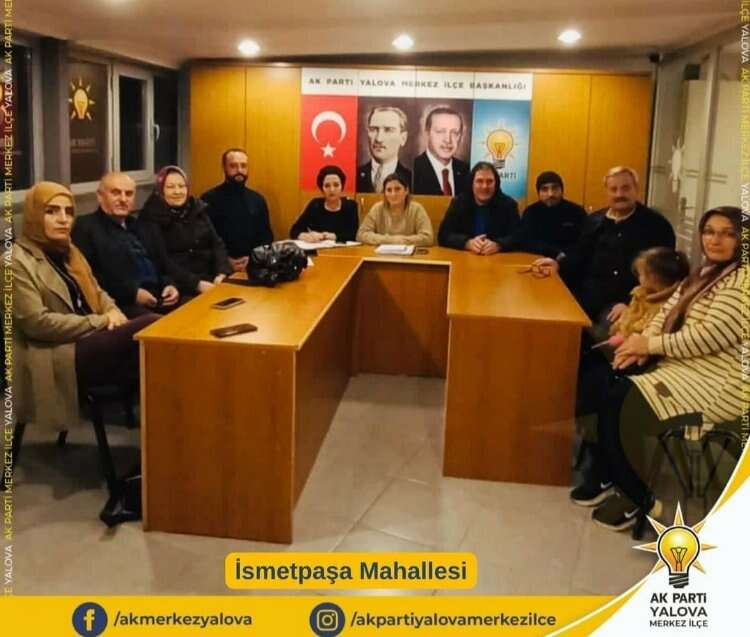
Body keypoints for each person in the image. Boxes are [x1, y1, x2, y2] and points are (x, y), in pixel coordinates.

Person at [573, 207, 745, 531]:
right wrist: (635, 345)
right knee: (598, 379)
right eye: (709, 232)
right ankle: (608, 472)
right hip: (680, 367)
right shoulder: (702, 273)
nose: (715, 240)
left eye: (728, 234)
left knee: (619, 396)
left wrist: (648, 346)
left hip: (716, 383)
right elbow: (663, 315)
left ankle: (637, 494)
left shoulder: (743, 282)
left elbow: (708, 337)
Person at [13, 182, 158, 431]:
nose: (63, 219)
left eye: (69, 212)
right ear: (34, 215)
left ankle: (164, 436)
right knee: (152, 326)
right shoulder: (16, 262)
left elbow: (98, 292)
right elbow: (37, 324)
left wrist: (113, 312)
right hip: (57, 351)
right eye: (51, 211)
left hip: (90, 339)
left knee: (153, 350)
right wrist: (102, 321)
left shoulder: (70, 251)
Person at [532, 166, 675, 327]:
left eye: (625, 188)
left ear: (636, 189)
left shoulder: (656, 226)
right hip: (587, 296)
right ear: (607, 192)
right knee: (548, 317)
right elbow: (579, 256)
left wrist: (632, 304)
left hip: (624, 303)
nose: (619, 194)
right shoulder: (594, 221)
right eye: (614, 189)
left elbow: (664, 277)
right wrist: (558, 265)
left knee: (607, 330)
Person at [72, 172, 180, 317]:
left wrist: (169, 284)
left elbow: (162, 263)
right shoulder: (85, 227)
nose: (123, 199)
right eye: (116, 193)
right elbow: (88, 278)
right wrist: (132, 293)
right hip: (121, 305)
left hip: (160, 297)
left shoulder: (140, 225)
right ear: (100, 196)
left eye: (128, 194)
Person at [139, 165, 231, 298]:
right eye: (170, 187)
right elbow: (161, 260)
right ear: (160, 190)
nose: (177, 191)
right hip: (178, 287)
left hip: (211, 280)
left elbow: (217, 244)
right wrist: (196, 284)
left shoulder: (197, 209)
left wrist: (221, 272)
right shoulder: (150, 217)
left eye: (181, 186)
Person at [201, 148, 274, 272]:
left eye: (243, 166)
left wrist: (253, 259)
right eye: (233, 166)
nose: (239, 170)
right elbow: (203, 240)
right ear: (224, 168)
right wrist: (224, 261)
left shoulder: (258, 200)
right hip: (217, 269)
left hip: (253, 267)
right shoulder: (208, 200)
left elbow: (266, 237)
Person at [437, 161, 520, 255]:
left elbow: (518, 237)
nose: (484, 186)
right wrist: (466, 243)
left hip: (497, 259)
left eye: (489, 181)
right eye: (479, 181)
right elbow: (443, 236)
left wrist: (499, 245)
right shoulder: (459, 203)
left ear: (496, 184)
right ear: (471, 183)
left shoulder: (509, 205)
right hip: (465, 259)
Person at [504, 171, 586, 258]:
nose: (550, 194)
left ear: (562, 190)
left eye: (555, 188)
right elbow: (525, 241)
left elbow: (584, 242)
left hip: (569, 261)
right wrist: (554, 253)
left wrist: (565, 257)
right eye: (544, 189)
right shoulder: (531, 212)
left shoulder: (577, 212)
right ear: (538, 192)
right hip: (536, 261)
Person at [356, 173, 433, 246]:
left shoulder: (417, 209)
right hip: (382, 253)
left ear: (406, 190)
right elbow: (361, 235)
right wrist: (391, 240)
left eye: (397, 189)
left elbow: (428, 238)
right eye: (389, 190)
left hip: (409, 253)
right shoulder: (377, 209)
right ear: (385, 193)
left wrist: (399, 240)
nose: (393, 194)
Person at [289, 165, 359, 242]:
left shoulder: (351, 206)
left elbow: (354, 234)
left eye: (336, 185)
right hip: (318, 247)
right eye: (327, 186)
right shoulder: (315, 205)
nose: (332, 190)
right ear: (322, 188)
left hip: (343, 249)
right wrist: (305, 236)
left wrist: (334, 236)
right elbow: (295, 230)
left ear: (342, 187)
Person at [412, 106, 470, 196]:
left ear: (460, 136)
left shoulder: (466, 171)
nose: (448, 140)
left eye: (454, 133)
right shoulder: (413, 169)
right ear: (427, 133)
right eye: (440, 131)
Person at [356, 107, 412, 193]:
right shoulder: (355, 175)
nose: (379, 139)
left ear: (403, 138)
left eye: (388, 130)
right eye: (373, 129)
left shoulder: (412, 179)